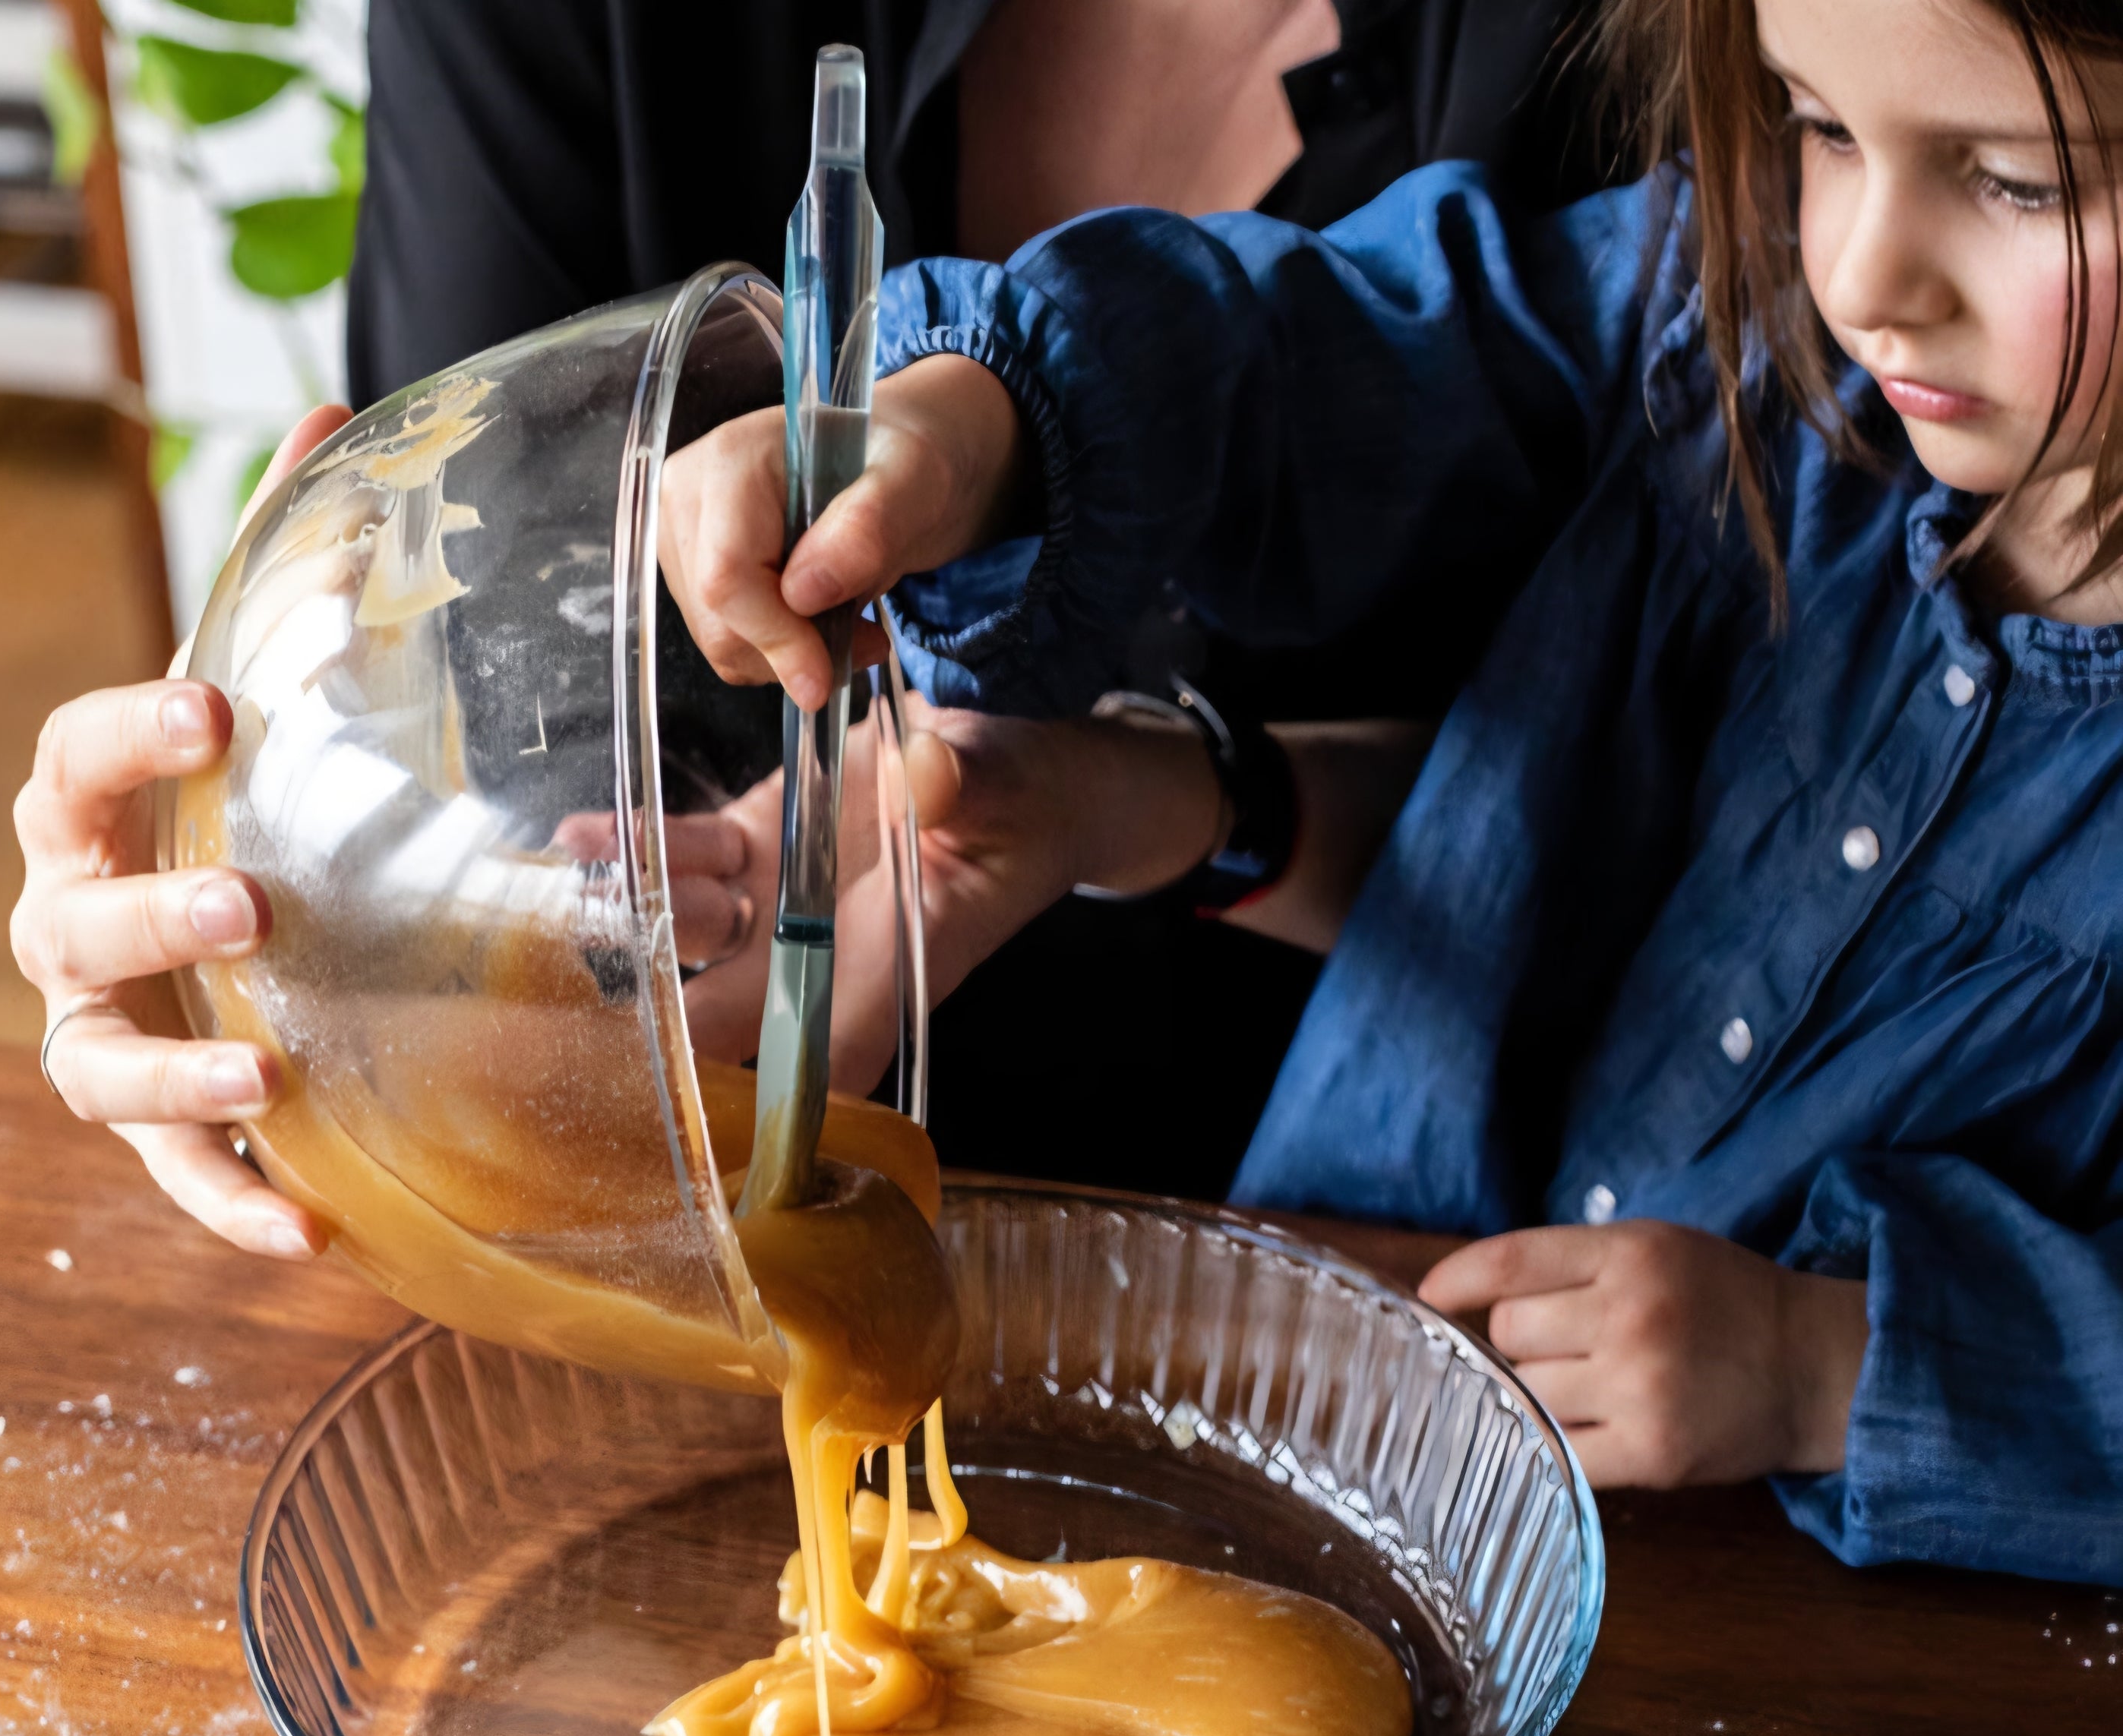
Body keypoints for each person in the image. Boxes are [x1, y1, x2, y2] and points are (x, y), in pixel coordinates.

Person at [647, 0, 2123, 1585]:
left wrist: (1828, 1365)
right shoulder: (1726, 328)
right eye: (1818, 124)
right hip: (1331, 1462)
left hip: (1797, 1667)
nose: (1861, 276)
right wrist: (969, 433)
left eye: (2020, 183)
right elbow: (1315, 354)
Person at [10, 0, 1620, 1225]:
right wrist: (272, 954)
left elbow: (1696, 832)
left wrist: (1149, 799)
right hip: (678, 1254)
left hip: (1409, 1282)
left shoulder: (1767, 101)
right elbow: (476, 718)